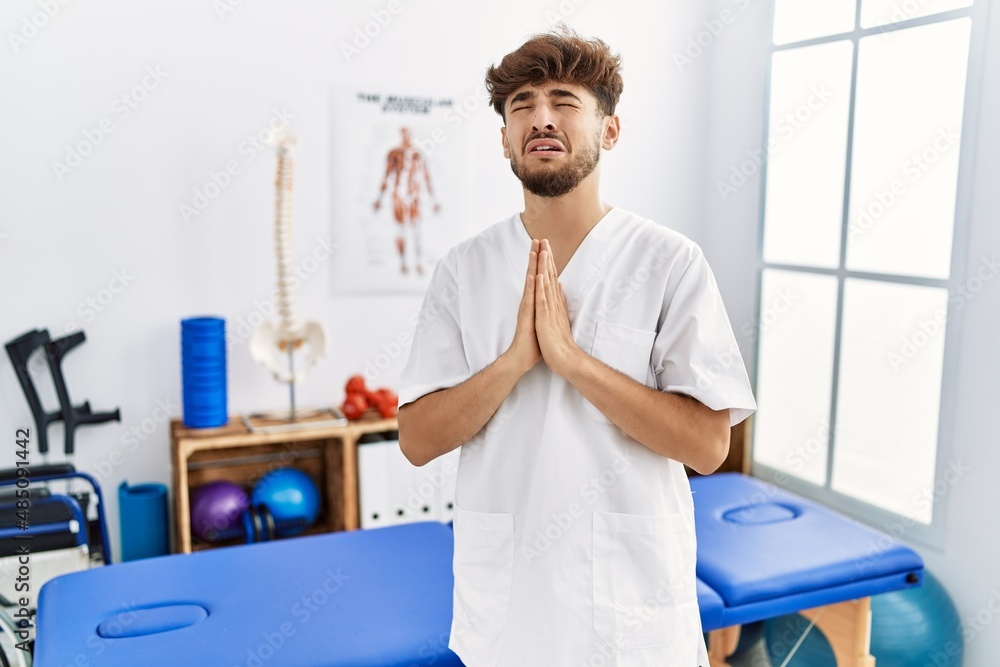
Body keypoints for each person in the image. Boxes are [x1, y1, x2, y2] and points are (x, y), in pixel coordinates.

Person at [397, 27, 756, 667]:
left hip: (631, 605)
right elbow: (418, 440)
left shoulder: (669, 261)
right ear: (505, 137)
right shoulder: (465, 269)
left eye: (565, 101)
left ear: (609, 130)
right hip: (511, 610)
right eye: (521, 105)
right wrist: (514, 364)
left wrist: (571, 361)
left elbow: (707, 446)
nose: (541, 118)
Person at [373, 126, 441, 276]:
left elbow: (426, 177)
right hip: (398, 195)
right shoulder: (394, 153)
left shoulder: (418, 154)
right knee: (401, 230)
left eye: (408, 133)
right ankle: (403, 263)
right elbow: (385, 176)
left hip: (414, 195)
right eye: (404, 133)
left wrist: (433, 200)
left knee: (416, 230)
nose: (406, 136)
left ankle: (417, 262)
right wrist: (379, 198)